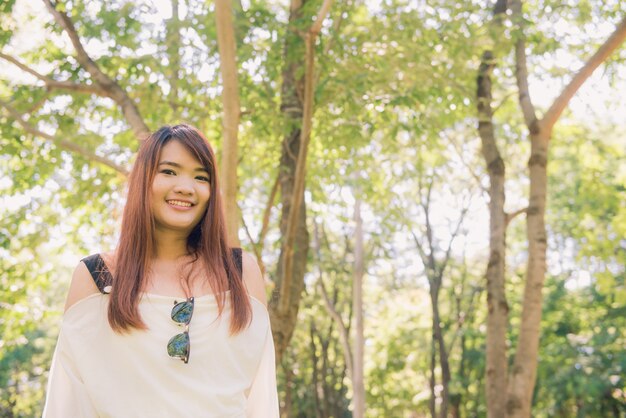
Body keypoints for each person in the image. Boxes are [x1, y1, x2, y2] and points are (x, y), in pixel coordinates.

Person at [43, 124, 279, 417]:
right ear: (144, 180)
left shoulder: (241, 272)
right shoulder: (96, 276)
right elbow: (69, 399)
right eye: (169, 171)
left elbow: (261, 395)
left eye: (200, 177)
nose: (186, 186)